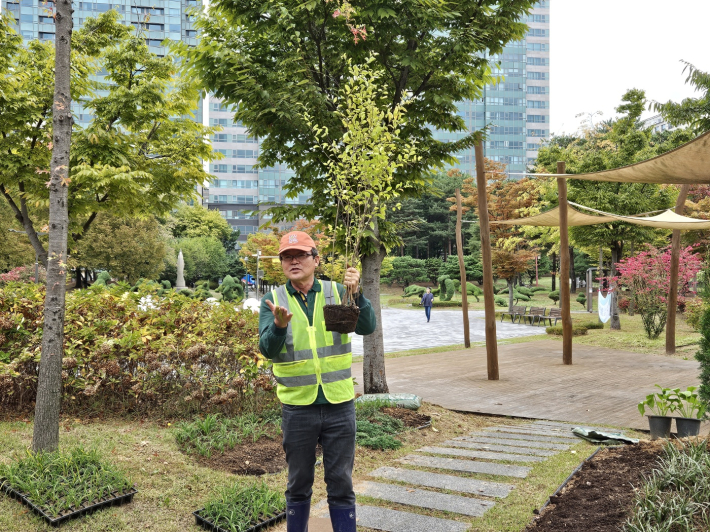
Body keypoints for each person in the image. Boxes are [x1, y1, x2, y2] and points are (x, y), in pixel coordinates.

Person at [259, 231, 376, 532]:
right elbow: (267, 349)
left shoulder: (337, 291)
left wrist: (357, 293)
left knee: (341, 482)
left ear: (316, 259)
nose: (293, 260)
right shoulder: (273, 300)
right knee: (298, 483)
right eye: (287, 256)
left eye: (300, 255)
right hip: (298, 407)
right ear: (282, 263)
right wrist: (278, 327)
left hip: (339, 403)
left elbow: (367, 327)